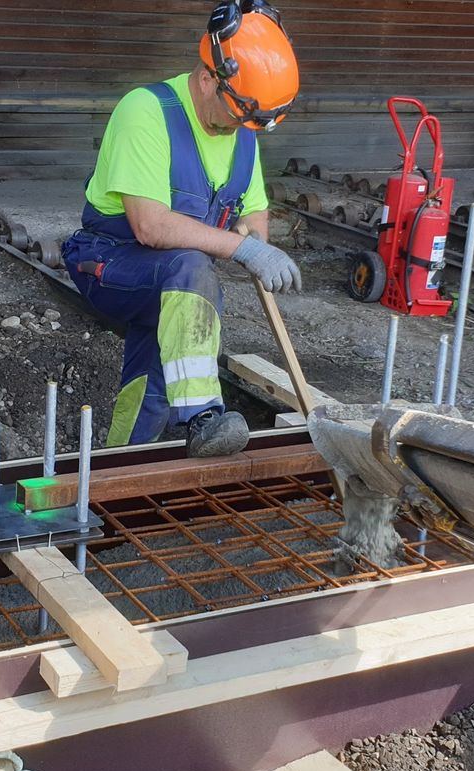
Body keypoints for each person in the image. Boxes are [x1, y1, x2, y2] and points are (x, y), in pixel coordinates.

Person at [62, 0, 301, 457]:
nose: (240, 129)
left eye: (250, 122)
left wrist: (260, 246)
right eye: (238, 117)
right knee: (192, 268)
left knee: (156, 377)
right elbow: (150, 226)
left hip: (178, 281)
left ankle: (118, 467)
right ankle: (203, 417)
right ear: (209, 78)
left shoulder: (242, 128)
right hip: (108, 261)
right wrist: (240, 250)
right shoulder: (147, 111)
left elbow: (253, 211)